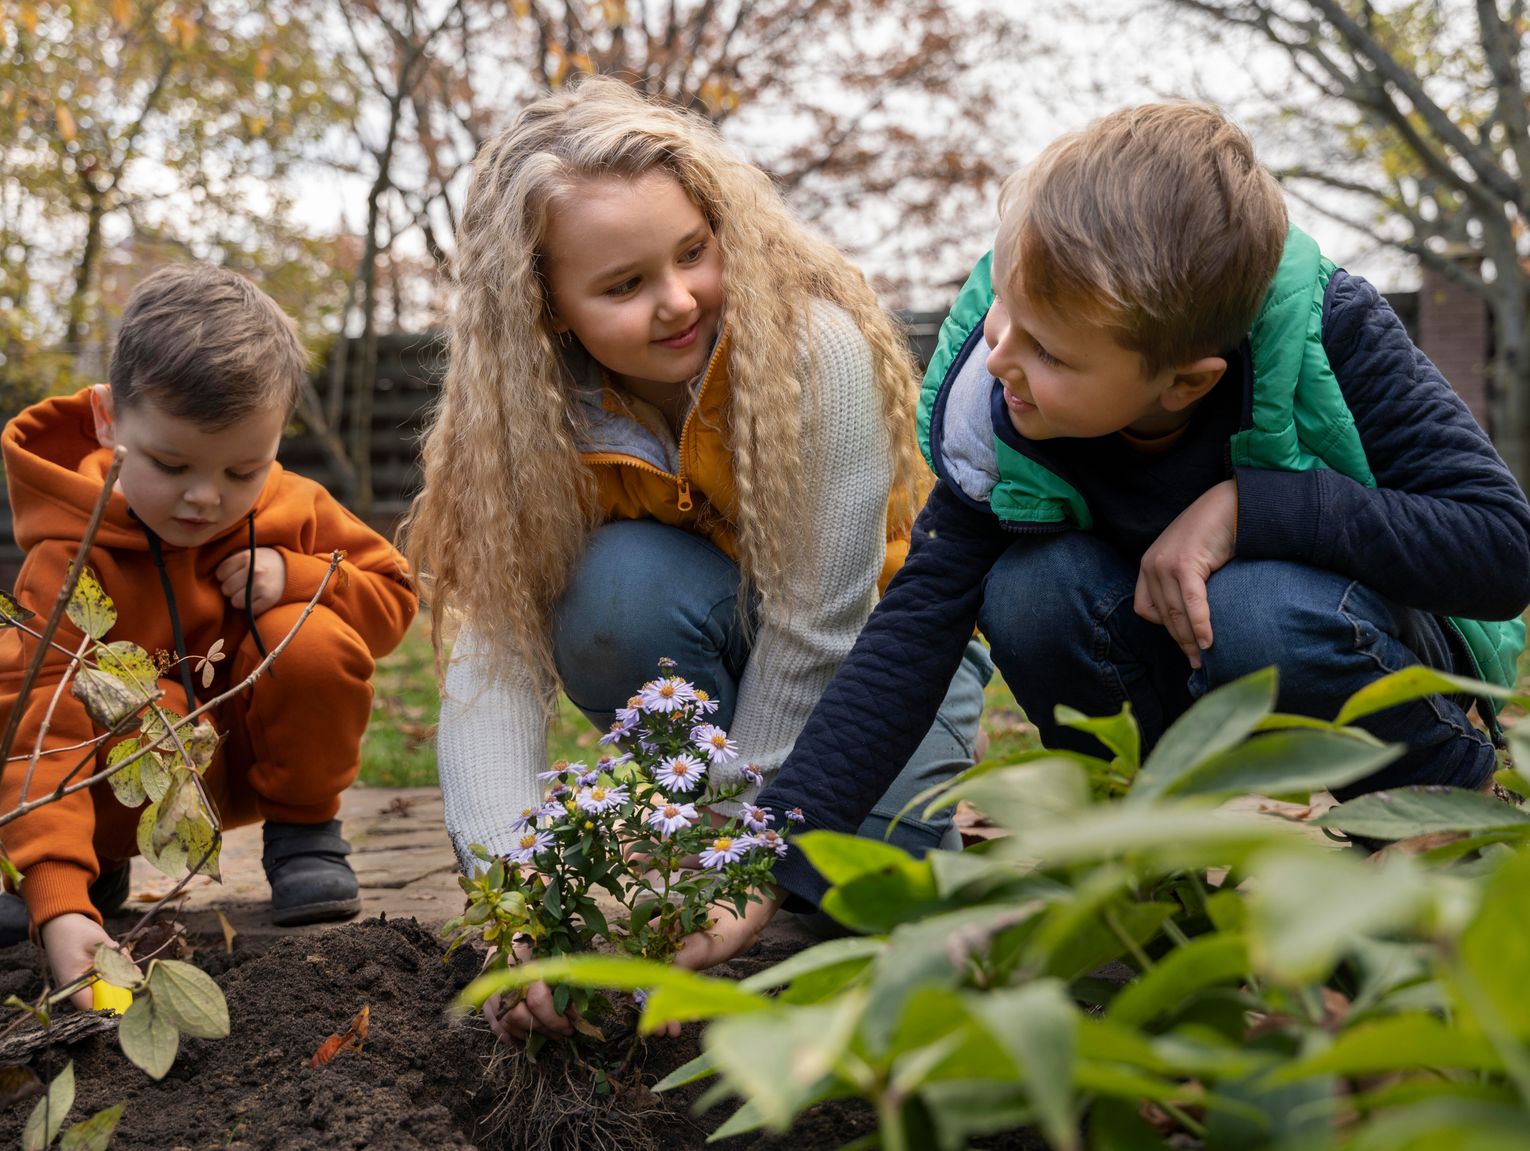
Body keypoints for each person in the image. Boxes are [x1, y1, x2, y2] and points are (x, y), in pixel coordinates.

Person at [691, 101, 1530, 957]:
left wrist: (1256, 508)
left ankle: (1434, 825)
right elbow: (913, 629)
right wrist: (763, 861)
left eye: (1052, 354)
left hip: (1343, 645)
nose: (1005, 356)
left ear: (1184, 383)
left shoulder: (1327, 332)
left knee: (1262, 611)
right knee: (1028, 588)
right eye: (1005, 310)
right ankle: (1146, 871)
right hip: (1165, 662)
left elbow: (1502, 547)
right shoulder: (1002, 404)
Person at [400, 76, 991, 1039]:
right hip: (698, 639)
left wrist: (733, 861)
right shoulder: (519, 422)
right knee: (612, 588)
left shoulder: (812, 351)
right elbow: (494, 662)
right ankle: (746, 862)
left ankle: (796, 860)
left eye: (692, 253)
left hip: (880, 666)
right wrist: (513, 896)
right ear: (548, 306)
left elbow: (815, 632)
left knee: (879, 907)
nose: (677, 300)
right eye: (625, 285)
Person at [0, 264, 418, 1004]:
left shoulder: (293, 506)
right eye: (170, 464)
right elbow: (46, 730)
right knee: (80, 687)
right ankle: (85, 860)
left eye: (241, 469)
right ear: (107, 419)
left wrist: (293, 575)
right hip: (113, 776)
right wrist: (60, 898)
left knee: (312, 637)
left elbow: (393, 597)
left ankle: (305, 834)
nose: (204, 496)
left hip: (235, 752)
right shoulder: (71, 560)